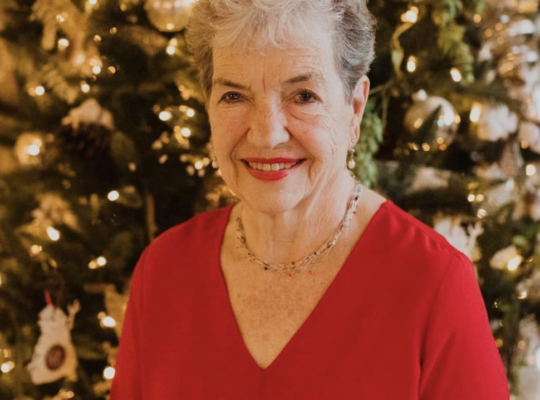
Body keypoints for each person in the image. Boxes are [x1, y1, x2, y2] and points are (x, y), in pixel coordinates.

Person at [110, 0, 510, 399]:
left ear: (355, 109)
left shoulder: (434, 283)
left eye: (303, 95)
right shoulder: (164, 270)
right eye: (234, 96)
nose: (266, 134)